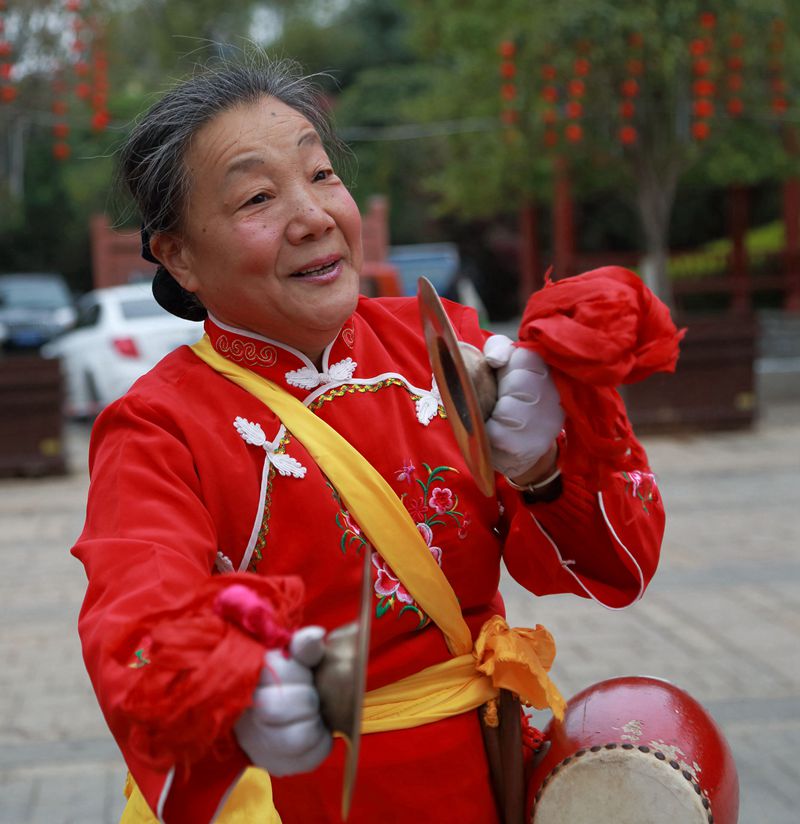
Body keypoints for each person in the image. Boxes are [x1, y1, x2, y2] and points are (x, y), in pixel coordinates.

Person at [72, 55, 666, 824]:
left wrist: (546, 467)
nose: (313, 215)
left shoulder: (442, 343)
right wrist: (229, 691)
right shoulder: (158, 427)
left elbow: (616, 564)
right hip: (311, 798)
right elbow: (137, 616)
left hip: (488, 780)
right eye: (257, 196)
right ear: (179, 255)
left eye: (321, 175)